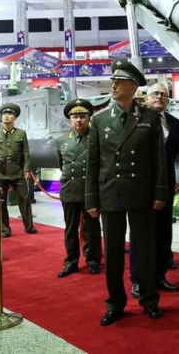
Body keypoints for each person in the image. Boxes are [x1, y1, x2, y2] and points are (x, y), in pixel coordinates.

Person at [86, 58, 167, 326]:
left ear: (133, 87)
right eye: (113, 81)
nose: (113, 86)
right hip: (111, 193)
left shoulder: (149, 117)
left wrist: (159, 193)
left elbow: (158, 160)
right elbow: (93, 162)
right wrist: (91, 198)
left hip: (141, 193)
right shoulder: (99, 120)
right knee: (113, 253)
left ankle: (149, 299)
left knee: (144, 250)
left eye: (119, 82)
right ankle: (115, 303)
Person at [129, 83, 179, 298]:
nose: (160, 97)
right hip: (142, 186)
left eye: (164, 95)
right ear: (147, 98)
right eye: (155, 94)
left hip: (166, 185)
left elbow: (173, 154)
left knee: (163, 232)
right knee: (141, 234)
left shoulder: (174, 122)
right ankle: (139, 280)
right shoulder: (136, 120)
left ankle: (160, 276)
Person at [55, 99, 102, 278]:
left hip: (89, 191)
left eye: (82, 116)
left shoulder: (96, 138)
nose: (78, 120)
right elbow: (62, 165)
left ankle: (93, 260)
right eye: (75, 117)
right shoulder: (61, 141)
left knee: (92, 228)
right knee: (70, 229)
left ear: (89, 118)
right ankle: (71, 262)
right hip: (69, 189)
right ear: (70, 119)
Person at [0, 103, 36, 237]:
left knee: (24, 199)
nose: (6, 116)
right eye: (4, 114)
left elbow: (26, 153)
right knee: (1, 202)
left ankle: (29, 226)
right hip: (0, 172)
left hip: (17, 171)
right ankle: (5, 229)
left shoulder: (21, 133)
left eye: (9, 114)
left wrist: (26, 170)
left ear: (15, 118)